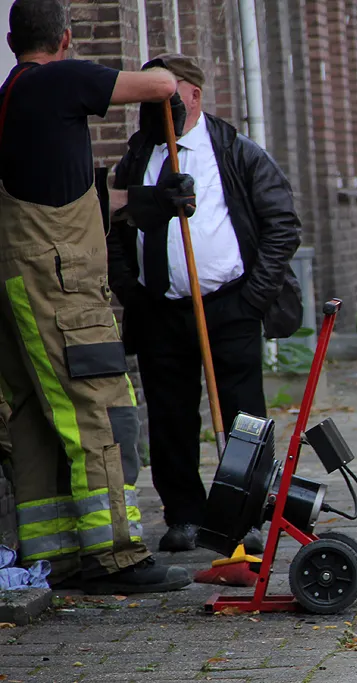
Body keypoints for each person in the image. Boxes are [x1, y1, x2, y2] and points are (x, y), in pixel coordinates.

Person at [0, 0, 193, 593]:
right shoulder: (59, 77)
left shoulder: (10, 99)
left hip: (18, 285)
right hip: (61, 287)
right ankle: (116, 557)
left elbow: (58, 201)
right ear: (65, 38)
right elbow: (161, 82)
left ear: (11, 40)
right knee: (98, 407)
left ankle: (56, 555)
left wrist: (143, 202)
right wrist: (166, 86)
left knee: (34, 418)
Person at [106, 54, 303, 553]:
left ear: (192, 94)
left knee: (244, 417)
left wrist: (253, 299)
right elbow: (112, 229)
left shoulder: (236, 152)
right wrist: (133, 292)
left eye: (166, 94)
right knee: (170, 417)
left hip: (229, 305)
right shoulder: (138, 156)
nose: (157, 106)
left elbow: (283, 225)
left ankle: (245, 516)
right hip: (160, 311)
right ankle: (185, 517)